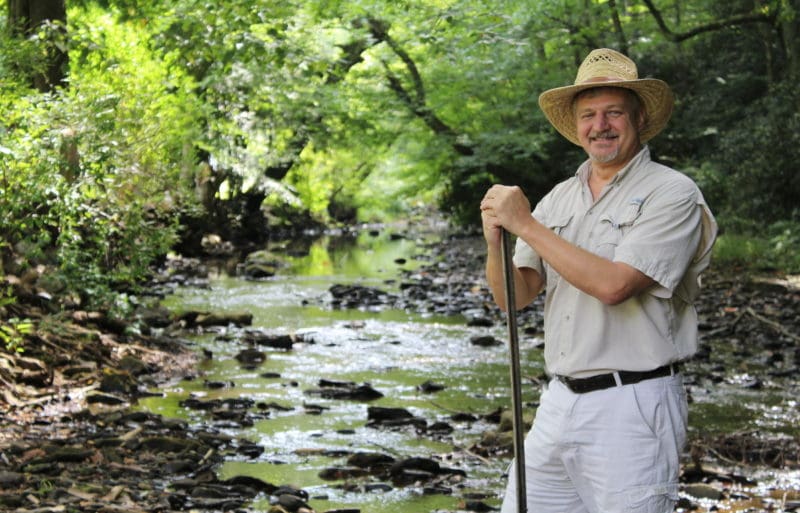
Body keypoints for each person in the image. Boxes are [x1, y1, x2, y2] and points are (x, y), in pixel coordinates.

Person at [480, 48, 717, 513]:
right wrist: (495, 239)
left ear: (639, 117)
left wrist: (525, 224)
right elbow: (515, 296)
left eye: (613, 112)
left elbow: (615, 286)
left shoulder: (672, 193)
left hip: (632, 406)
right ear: (576, 124)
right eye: (588, 115)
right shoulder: (559, 198)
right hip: (559, 401)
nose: (600, 125)